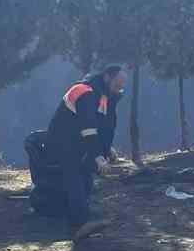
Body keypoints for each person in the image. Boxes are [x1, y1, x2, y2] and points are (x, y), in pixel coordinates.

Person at [25, 65, 128, 241]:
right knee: (76, 174)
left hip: (75, 144)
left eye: (121, 86)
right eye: (117, 85)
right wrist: (98, 156)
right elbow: (88, 128)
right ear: (106, 78)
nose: (120, 89)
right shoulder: (84, 92)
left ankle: (82, 215)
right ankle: (79, 224)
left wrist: (106, 148)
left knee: (85, 175)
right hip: (61, 146)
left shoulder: (101, 96)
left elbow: (100, 125)